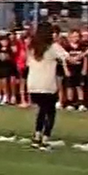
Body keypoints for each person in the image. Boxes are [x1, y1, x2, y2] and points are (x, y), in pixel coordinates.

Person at [26, 22, 68, 150]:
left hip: (33, 83)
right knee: (50, 111)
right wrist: (86, 53)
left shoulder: (32, 46)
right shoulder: (53, 47)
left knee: (41, 110)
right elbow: (70, 58)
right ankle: (45, 138)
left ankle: (37, 135)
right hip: (47, 83)